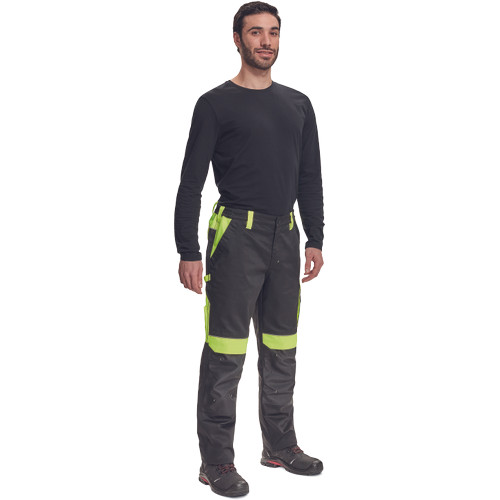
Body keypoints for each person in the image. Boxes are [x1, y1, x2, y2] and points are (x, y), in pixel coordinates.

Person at [174, 2, 325, 497]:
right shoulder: (215, 104)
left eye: (273, 32)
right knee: (226, 352)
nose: (266, 42)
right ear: (237, 39)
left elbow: (309, 176)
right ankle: (215, 461)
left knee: (282, 347)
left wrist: (316, 237)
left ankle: (279, 445)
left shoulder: (298, 104)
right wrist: (187, 248)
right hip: (236, 235)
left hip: (287, 234)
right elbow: (191, 182)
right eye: (256, 33)